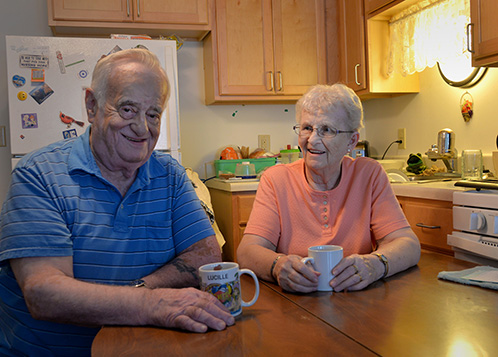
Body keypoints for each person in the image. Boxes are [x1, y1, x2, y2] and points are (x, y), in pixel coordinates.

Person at [0, 48, 234, 356]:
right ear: (92, 106)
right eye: (127, 109)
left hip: (145, 349)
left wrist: (139, 291)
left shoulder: (170, 175)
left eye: (153, 114)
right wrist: (150, 304)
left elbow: (204, 255)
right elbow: (44, 293)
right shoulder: (38, 175)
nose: (142, 128)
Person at [237, 84, 420, 293]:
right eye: (307, 128)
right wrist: (278, 266)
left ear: (351, 141)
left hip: (357, 302)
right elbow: (247, 252)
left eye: (327, 130)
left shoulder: (368, 174)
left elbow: (408, 244)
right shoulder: (276, 179)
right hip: (294, 303)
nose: (313, 140)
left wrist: (375, 265)